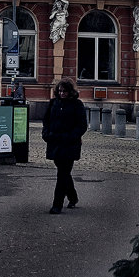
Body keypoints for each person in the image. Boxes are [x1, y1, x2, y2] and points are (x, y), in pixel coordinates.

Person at [42, 78, 88, 213]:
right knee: (64, 172)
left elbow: (82, 126)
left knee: (62, 173)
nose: (62, 93)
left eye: (65, 91)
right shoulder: (53, 103)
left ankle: (57, 204)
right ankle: (73, 197)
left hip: (69, 144)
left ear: (70, 92)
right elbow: (46, 121)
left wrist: (70, 137)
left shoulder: (77, 105)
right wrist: (46, 134)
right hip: (55, 142)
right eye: (60, 91)